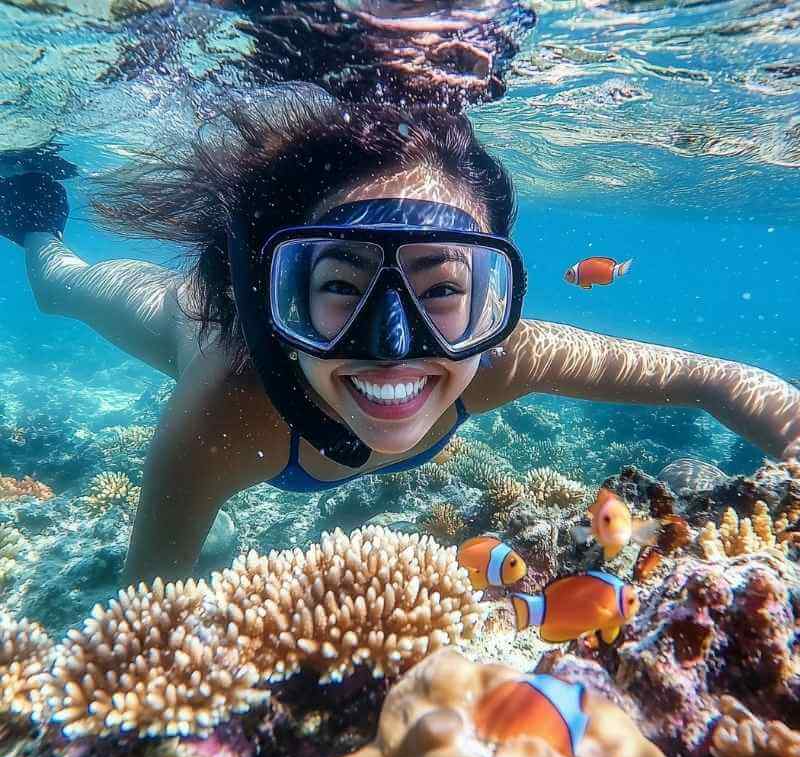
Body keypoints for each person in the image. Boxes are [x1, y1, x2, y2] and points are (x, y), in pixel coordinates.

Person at [2, 85, 798, 583]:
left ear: (493, 296)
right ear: (271, 291)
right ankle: (37, 220)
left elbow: (717, 380)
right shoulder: (220, 413)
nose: (394, 344)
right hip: (196, 325)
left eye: (444, 287)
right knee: (57, 285)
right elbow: (153, 617)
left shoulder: (501, 356)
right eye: (341, 284)